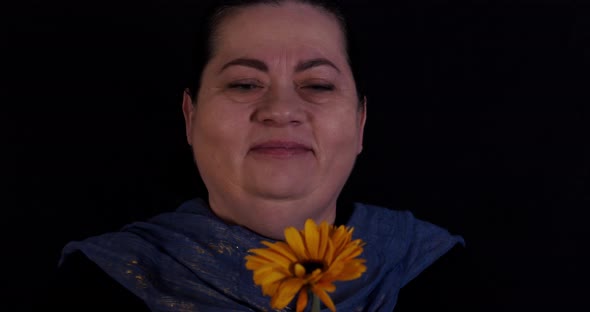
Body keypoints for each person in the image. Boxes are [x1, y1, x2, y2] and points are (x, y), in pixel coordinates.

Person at [43, 0, 465, 311]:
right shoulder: (102, 283)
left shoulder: (431, 271)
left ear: (360, 123)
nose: (281, 110)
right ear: (191, 117)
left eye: (317, 85)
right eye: (245, 84)